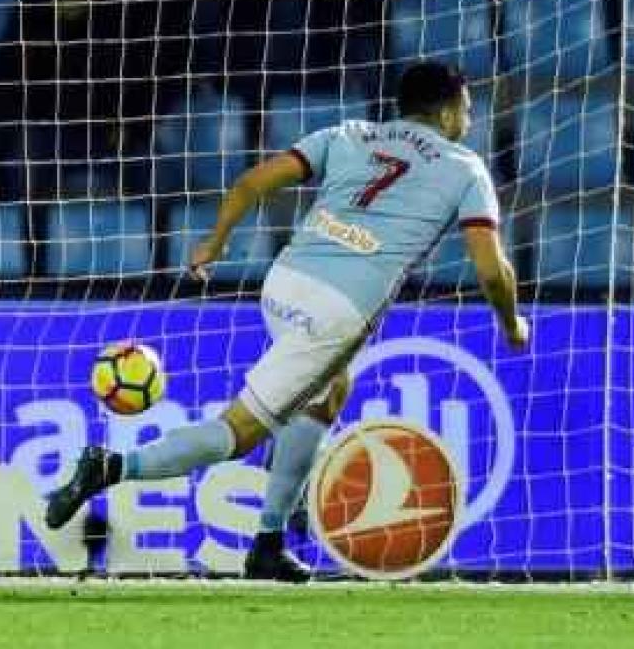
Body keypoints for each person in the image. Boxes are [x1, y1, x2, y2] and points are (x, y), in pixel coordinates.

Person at [44, 62, 529, 581]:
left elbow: (254, 181)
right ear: (450, 107)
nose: (470, 122)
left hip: (283, 283)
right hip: (335, 315)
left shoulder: (348, 133)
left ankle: (269, 541)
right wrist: (510, 324)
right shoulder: (465, 166)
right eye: (469, 110)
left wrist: (216, 240)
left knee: (329, 390)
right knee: (238, 434)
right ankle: (112, 467)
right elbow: (490, 270)